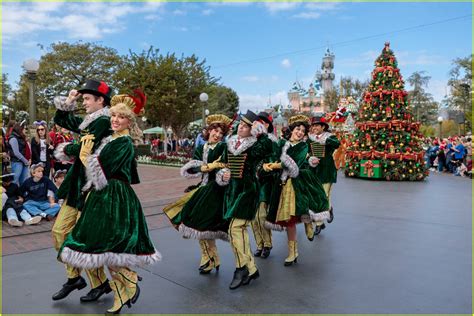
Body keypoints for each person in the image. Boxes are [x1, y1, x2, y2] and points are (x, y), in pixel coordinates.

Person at [59, 91, 161, 314]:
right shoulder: (111, 139)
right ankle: (121, 295)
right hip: (102, 197)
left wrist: (85, 155)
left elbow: (101, 174)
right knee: (106, 253)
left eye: (120, 117)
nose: (114, 120)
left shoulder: (123, 143)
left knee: (109, 250)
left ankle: (130, 282)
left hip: (114, 199)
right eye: (113, 115)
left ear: (129, 121)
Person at [51, 79, 114, 302]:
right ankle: (75, 277)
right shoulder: (91, 120)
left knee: (83, 237)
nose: (84, 102)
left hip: (91, 186)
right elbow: (61, 119)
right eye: (84, 98)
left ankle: (99, 283)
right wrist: (69, 101)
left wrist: (64, 148)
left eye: (87, 99)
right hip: (77, 185)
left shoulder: (104, 121)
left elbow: (85, 147)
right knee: (60, 232)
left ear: (101, 100)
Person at [164, 114, 231, 275]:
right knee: (192, 222)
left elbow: (228, 168)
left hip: (215, 190)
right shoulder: (202, 147)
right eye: (215, 131)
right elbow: (192, 167)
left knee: (203, 224)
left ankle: (210, 258)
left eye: (220, 133)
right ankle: (209, 257)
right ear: (208, 131)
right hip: (202, 189)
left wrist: (223, 172)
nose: (217, 135)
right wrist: (206, 167)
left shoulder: (223, 148)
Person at [215, 110, 272, 290]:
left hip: (248, 191)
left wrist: (260, 131)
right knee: (240, 233)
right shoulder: (230, 143)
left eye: (247, 126)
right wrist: (222, 174)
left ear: (252, 130)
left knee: (234, 229)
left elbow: (269, 147)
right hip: (232, 192)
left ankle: (240, 268)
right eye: (241, 124)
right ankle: (252, 268)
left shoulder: (255, 145)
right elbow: (224, 164)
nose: (242, 127)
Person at [263, 115, 329, 266]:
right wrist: (267, 165)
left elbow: (293, 165)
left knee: (305, 208)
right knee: (289, 220)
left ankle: (309, 224)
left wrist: (273, 165)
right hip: (283, 186)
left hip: (299, 183)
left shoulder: (303, 146)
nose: (300, 132)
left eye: (303, 131)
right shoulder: (282, 144)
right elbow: (273, 154)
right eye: (298, 129)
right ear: (292, 129)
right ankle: (293, 252)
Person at [307, 116, 340, 237]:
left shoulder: (329, 137)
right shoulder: (310, 139)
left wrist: (324, 140)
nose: (314, 128)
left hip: (327, 171)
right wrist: (310, 158)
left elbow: (337, 144)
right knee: (316, 196)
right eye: (313, 125)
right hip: (314, 172)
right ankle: (329, 209)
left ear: (323, 127)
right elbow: (306, 151)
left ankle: (319, 223)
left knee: (323, 196)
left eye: (317, 125)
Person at [251, 111, 278, 259]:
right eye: (256, 122)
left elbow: (272, 161)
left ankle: (267, 244)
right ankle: (259, 244)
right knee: (253, 218)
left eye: (261, 122)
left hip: (265, 182)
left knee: (261, 215)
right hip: (251, 183)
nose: (257, 124)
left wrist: (261, 170)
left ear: (267, 125)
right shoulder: (251, 140)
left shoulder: (271, 141)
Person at [8, 121, 31, 186]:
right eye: (24, 128)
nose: (25, 130)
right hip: (17, 162)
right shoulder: (13, 138)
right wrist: (26, 161)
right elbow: (16, 153)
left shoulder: (21, 137)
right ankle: (12, 195)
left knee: (23, 181)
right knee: (15, 180)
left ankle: (22, 194)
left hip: (23, 162)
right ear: (20, 129)